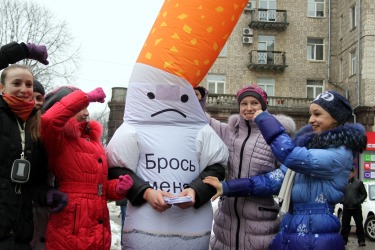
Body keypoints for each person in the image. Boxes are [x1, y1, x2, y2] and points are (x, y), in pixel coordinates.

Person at [251, 90, 367, 250]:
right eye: (310, 114)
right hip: (290, 231)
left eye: (317, 114)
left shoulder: (340, 154)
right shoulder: (306, 151)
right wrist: (226, 187)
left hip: (318, 239)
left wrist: (264, 119)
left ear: (336, 118)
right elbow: (271, 181)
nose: (311, 120)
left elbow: (289, 154)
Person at [202, 85, 296, 250]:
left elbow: (284, 179)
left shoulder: (275, 136)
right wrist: (200, 97)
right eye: (244, 103)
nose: (249, 108)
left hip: (260, 222)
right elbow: (203, 119)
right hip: (226, 222)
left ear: (263, 106)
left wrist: (230, 187)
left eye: (254, 103)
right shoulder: (230, 132)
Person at [40, 86, 133, 250]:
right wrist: (86, 97)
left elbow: (98, 187)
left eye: (86, 107)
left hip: (98, 223)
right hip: (71, 226)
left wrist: (116, 187)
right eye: (80, 107)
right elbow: (50, 119)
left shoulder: (93, 141)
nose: (86, 113)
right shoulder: (59, 139)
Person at [0, 64, 67, 249]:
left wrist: (47, 193)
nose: (24, 89)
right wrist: (21, 50)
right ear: (1, 88)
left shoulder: (34, 126)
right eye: (16, 83)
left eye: (28, 84)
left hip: (21, 232)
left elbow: (34, 181)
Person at [340, 167, 367, 246]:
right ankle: (344, 240)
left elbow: (364, 194)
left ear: (353, 173)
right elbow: (339, 194)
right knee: (345, 226)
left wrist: (359, 201)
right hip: (346, 208)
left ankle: (361, 240)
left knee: (359, 225)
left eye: (350, 172)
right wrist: (342, 201)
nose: (348, 174)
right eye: (347, 172)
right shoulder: (343, 183)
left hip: (356, 208)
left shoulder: (359, 183)